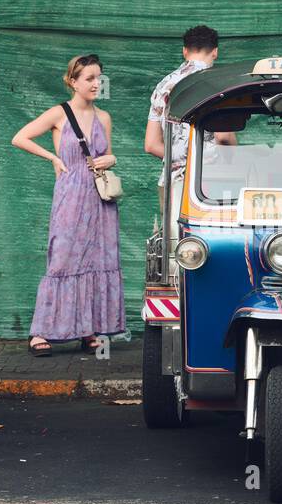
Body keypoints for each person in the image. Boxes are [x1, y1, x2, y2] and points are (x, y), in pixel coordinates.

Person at [12, 54, 125, 357]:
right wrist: (52, 158)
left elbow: (109, 153)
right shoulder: (59, 114)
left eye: (99, 78)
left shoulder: (104, 117)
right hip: (71, 194)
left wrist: (110, 159)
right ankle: (40, 332)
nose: (96, 83)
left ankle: (89, 331)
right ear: (73, 81)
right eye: (89, 78)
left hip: (101, 198)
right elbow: (19, 138)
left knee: (97, 260)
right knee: (62, 259)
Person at [145, 25, 234, 208]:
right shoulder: (218, 84)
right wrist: (236, 156)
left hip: (172, 181)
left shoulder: (164, 85)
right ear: (215, 52)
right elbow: (223, 137)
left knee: (173, 236)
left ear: (184, 51)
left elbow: (151, 144)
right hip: (207, 183)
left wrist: (181, 159)